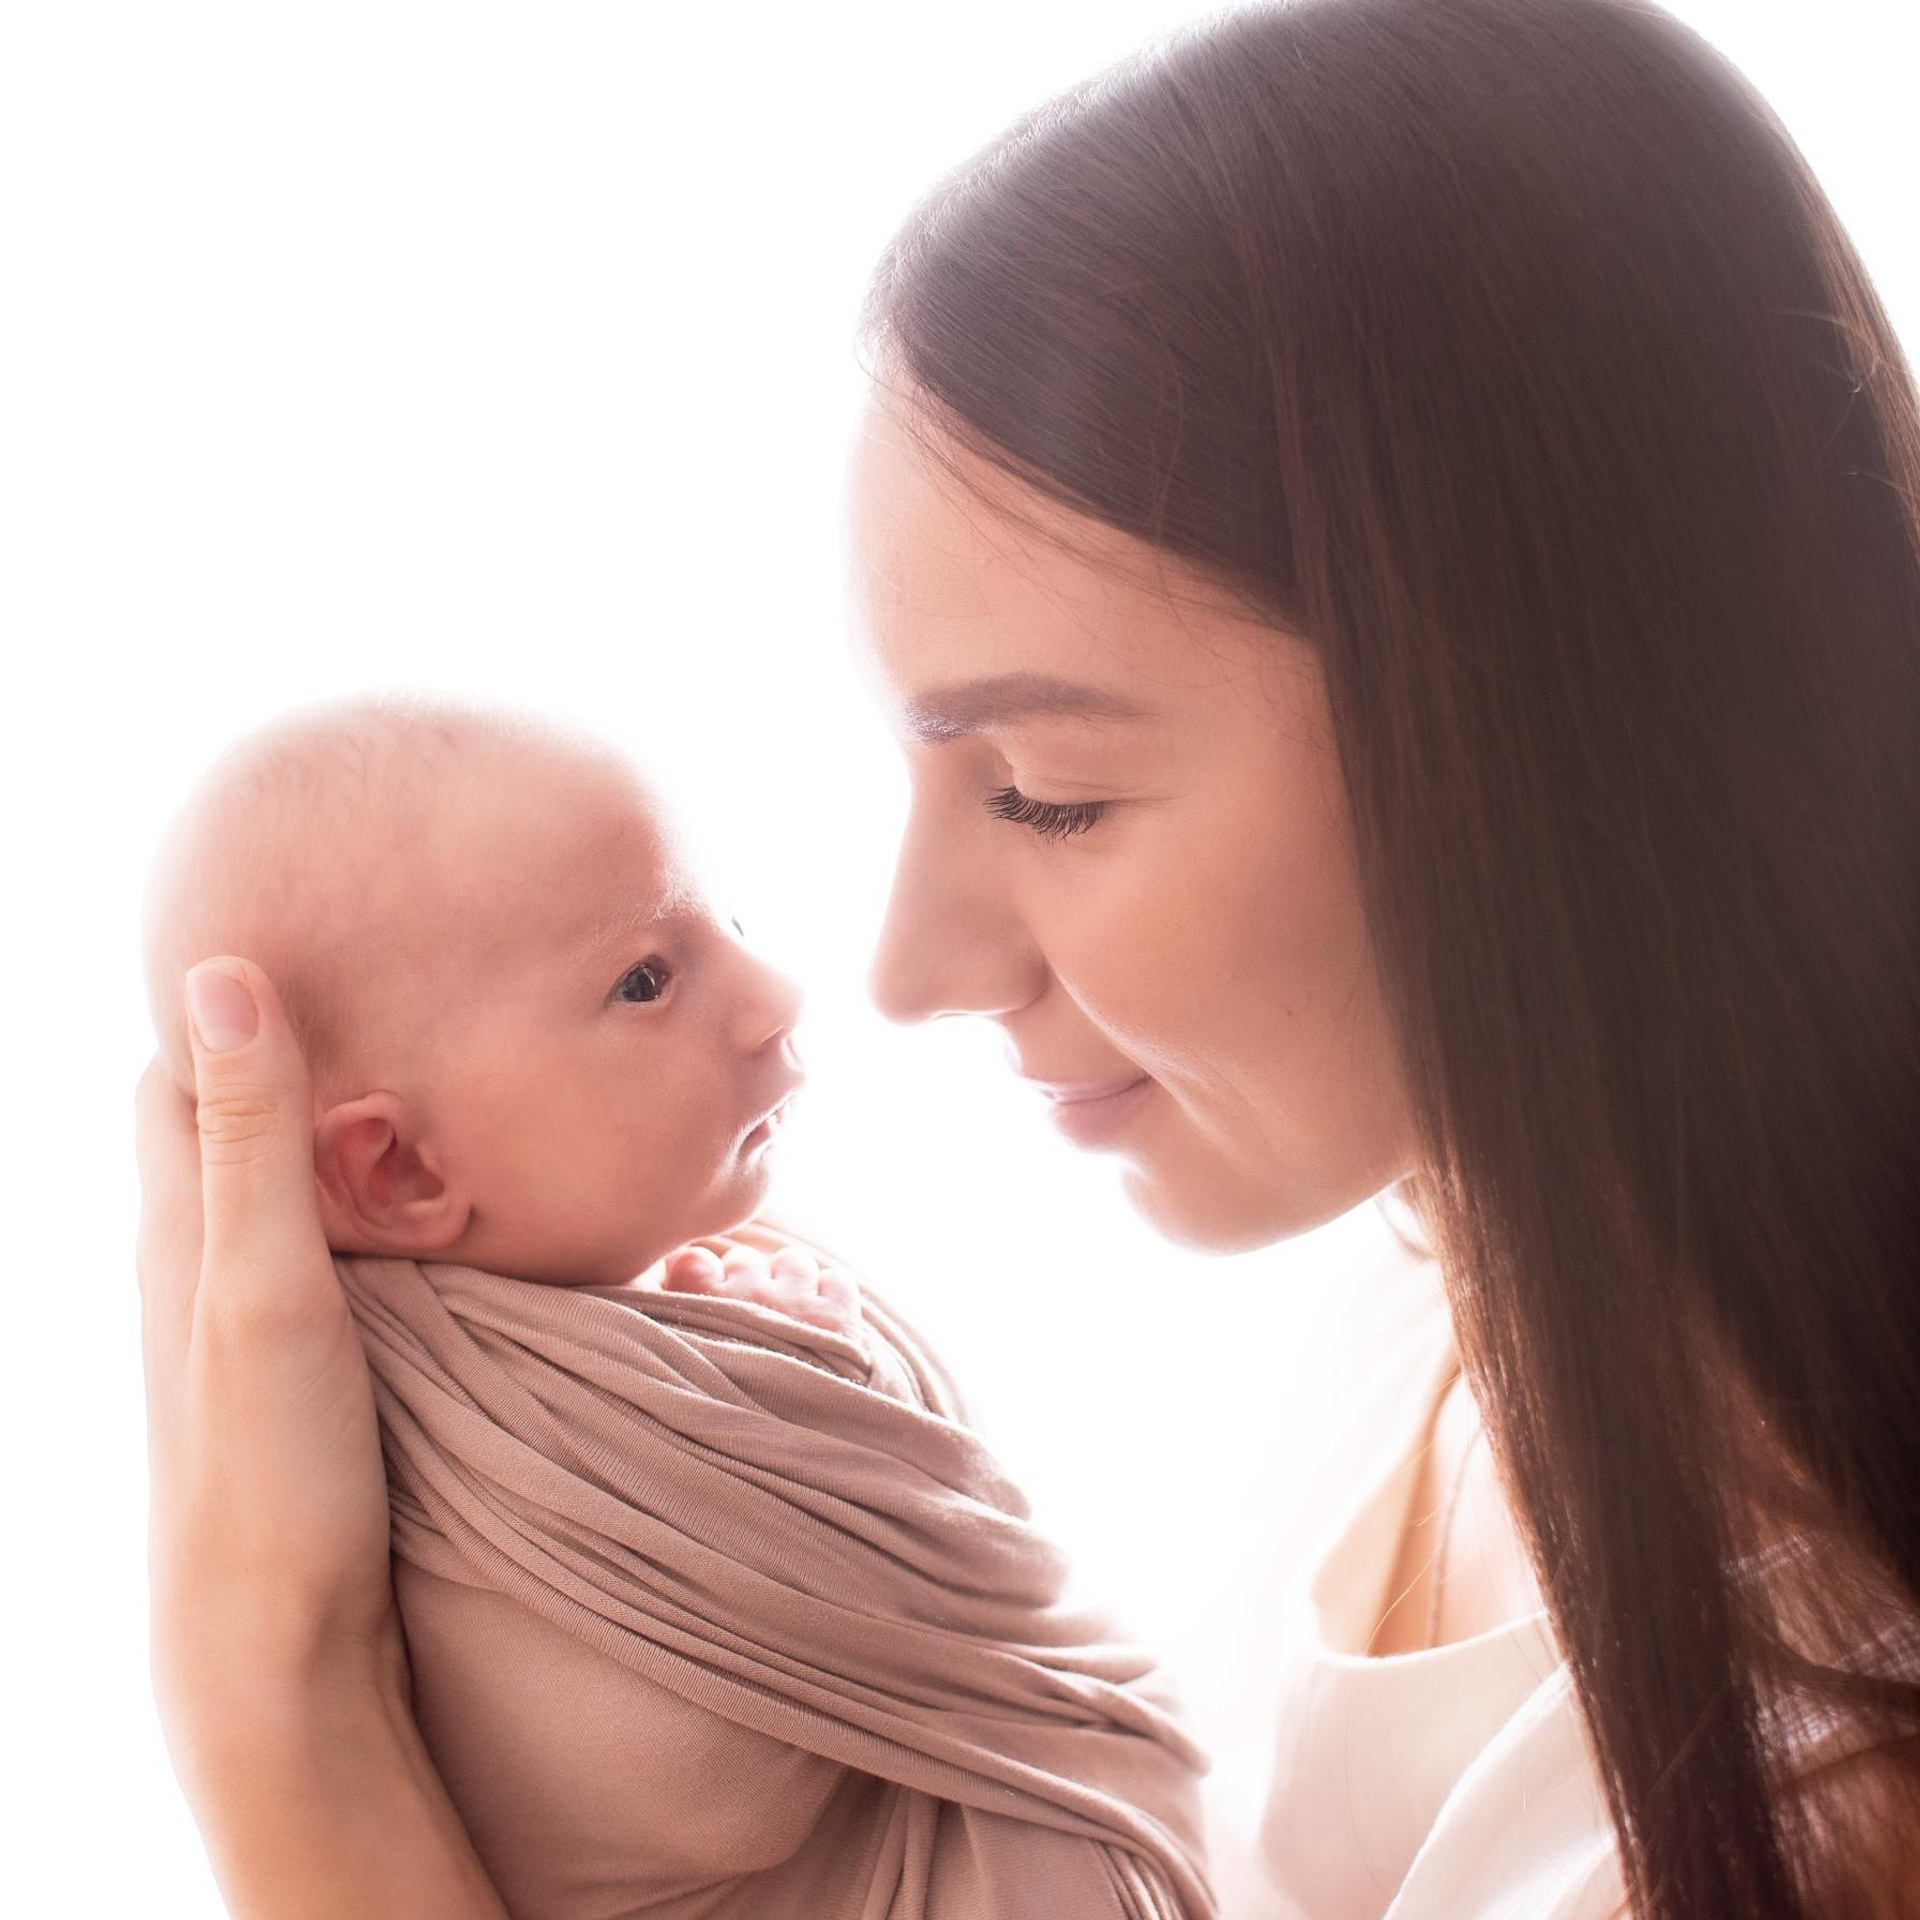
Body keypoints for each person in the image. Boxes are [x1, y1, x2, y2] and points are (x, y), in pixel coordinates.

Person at [135, 0, 1920, 1913]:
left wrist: (286, 1719)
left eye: (1048, 794)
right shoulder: (1408, 1335)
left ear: (1544, 736)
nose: (903, 972)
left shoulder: (1785, 1831)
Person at [136, 694, 1214, 1917]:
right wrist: (810, 1382)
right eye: (645, 980)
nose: (777, 991)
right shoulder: (465, 1439)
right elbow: (730, 1738)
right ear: (400, 1172)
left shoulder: (654, 1300)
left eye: (733, 924)